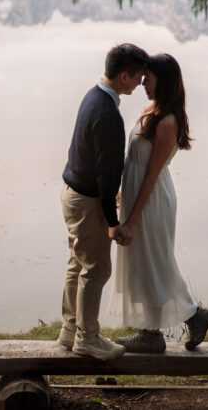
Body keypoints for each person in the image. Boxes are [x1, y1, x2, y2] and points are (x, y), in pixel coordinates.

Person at [110, 53, 208, 353]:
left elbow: (152, 174)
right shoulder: (154, 110)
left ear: (164, 80)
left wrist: (130, 220)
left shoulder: (168, 121)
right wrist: (122, 192)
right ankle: (163, 327)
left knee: (155, 263)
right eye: (143, 77)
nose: (143, 82)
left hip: (152, 201)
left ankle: (167, 327)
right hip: (139, 196)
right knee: (147, 263)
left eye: (148, 78)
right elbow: (137, 163)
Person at [58, 43, 149, 360]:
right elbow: (108, 175)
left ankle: (70, 331)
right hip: (88, 201)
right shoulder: (109, 113)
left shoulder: (92, 95)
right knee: (96, 270)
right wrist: (113, 222)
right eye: (137, 77)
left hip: (72, 194)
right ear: (125, 76)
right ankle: (88, 339)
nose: (140, 83)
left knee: (77, 264)